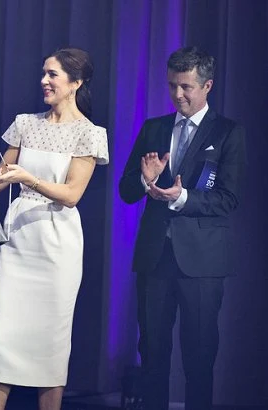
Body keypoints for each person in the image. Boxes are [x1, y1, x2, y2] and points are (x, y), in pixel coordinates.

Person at [0, 48, 108, 410]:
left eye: (53, 74)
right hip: (18, 243)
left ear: (76, 82)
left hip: (57, 244)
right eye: (43, 73)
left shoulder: (90, 133)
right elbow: (0, 179)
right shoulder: (25, 123)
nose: (44, 80)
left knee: (50, 345)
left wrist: (29, 178)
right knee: (2, 339)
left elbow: (72, 194)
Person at [119, 46, 246, 410]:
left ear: (207, 86)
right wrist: (145, 181)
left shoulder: (228, 133)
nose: (178, 94)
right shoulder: (154, 128)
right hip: (155, 257)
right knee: (152, 355)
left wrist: (180, 197)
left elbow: (228, 199)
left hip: (203, 264)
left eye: (187, 87)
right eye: (173, 85)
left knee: (199, 357)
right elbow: (126, 191)